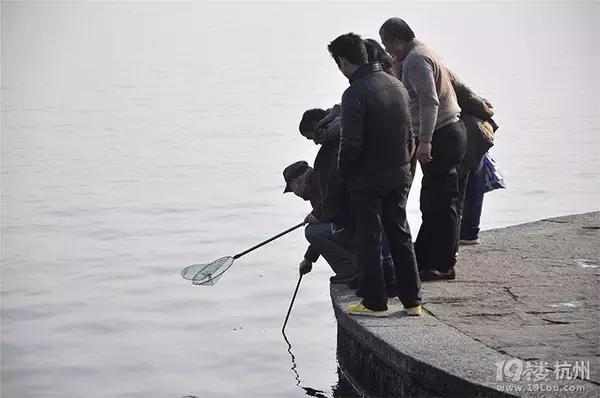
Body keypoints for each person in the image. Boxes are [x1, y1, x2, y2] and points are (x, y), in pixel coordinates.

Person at [327, 33, 421, 315]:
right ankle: (413, 301)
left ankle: (375, 302)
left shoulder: (354, 93)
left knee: (369, 240)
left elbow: (351, 143)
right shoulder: (395, 83)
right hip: (399, 173)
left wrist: (344, 174)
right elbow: (409, 134)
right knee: (401, 235)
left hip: (367, 180)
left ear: (344, 61)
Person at [380, 18, 467, 281]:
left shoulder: (417, 60)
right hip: (445, 132)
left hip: (442, 134)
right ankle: (430, 258)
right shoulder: (418, 53)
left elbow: (429, 101)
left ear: (396, 40)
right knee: (433, 202)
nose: (388, 51)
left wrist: (425, 140)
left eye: (388, 45)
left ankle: (443, 264)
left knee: (442, 204)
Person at [283, 158, 358, 283]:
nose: (297, 195)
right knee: (315, 230)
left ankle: (350, 270)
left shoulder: (314, 182)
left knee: (311, 231)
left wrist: (316, 215)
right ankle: (356, 266)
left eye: (292, 190)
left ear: (295, 182)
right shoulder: (318, 177)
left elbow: (330, 205)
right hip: (362, 226)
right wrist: (308, 259)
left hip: (354, 227)